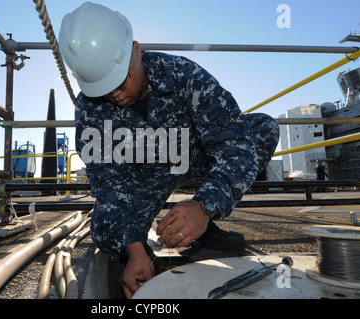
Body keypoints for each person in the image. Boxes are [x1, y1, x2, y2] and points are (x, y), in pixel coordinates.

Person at [59, 2, 280, 298]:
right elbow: (107, 183)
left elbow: (232, 139)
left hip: (192, 156)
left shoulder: (183, 75)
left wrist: (205, 206)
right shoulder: (89, 107)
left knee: (262, 128)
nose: (115, 93)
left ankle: (203, 226)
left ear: (136, 51)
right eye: (104, 88)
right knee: (103, 224)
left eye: (121, 79)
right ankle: (141, 243)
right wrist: (134, 250)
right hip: (140, 177)